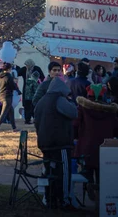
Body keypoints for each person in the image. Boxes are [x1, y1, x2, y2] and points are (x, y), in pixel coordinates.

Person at [34, 77, 78, 210]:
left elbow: (37, 122)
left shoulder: (41, 101)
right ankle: (64, 200)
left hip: (45, 142)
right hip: (60, 142)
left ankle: (49, 198)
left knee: (49, 171)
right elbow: (73, 113)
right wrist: (71, 102)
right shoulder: (59, 100)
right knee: (64, 172)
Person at [73, 83, 118, 201]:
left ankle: (89, 184)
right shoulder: (109, 110)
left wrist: (77, 137)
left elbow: (75, 125)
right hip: (105, 148)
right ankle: (101, 194)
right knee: (102, 171)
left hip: (86, 146)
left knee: (87, 168)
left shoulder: (82, 108)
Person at [0, 62, 22, 133]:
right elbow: (12, 85)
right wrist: (18, 90)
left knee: (11, 112)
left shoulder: (0, 75)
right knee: (3, 113)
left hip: (1, 95)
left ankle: (14, 128)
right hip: (7, 96)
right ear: (9, 69)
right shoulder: (8, 76)